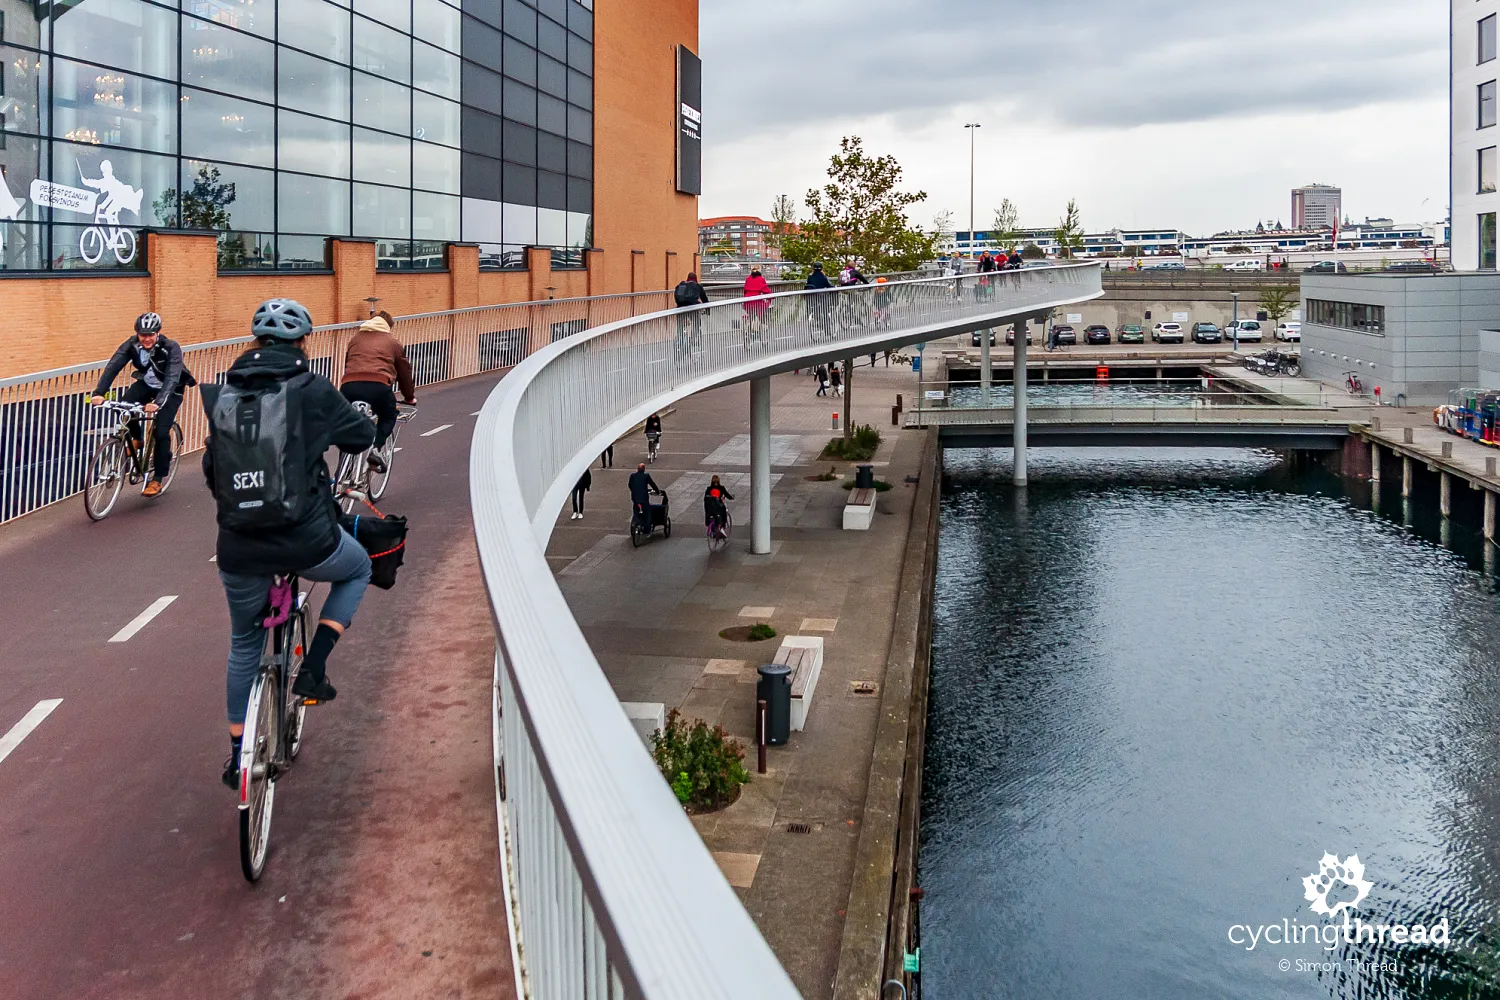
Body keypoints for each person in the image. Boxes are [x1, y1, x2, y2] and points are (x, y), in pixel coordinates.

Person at [203, 298, 376, 790]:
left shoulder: (227, 395)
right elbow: (360, 437)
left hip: (239, 548)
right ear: (302, 344)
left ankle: (239, 754)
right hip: (307, 541)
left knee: (243, 643)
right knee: (358, 567)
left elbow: (214, 475)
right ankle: (314, 668)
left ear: (254, 344)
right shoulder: (313, 389)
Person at [91, 312, 197, 496]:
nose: (147, 339)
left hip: (171, 390)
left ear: (158, 333)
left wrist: (158, 402)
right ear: (137, 334)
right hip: (147, 384)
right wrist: (99, 392)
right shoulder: (131, 345)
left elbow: (172, 377)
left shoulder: (170, 347)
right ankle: (137, 438)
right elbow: (113, 366)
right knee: (124, 405)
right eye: (143, 335)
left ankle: (157, 479)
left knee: (160, 431)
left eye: (150, 335)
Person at [339, 314, 416, 472]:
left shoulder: (355, 339)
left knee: (349, 424)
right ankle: (375, 449)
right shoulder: (392, 342)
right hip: (378, 386)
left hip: (349, 385)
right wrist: (409, 397)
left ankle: (342, 471)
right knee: (389, 415)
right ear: (387, 326)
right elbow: (404, 372)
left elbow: (349, 363)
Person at [673, 270, 709, 347]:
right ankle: (692, 341)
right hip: (692, 307)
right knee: (696, 324)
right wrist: (707, 310)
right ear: (695, 278)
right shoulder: (697, 286)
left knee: (680, 326)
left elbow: (676, 296)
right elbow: (704, 299)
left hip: (680, 307)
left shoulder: (681, 285)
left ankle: (679, 339)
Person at [628, 462, 662, 533]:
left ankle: (635, 523)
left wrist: (633, 490)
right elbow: (652, 484)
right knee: (647, 512)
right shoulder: (646, 476)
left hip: (635, 498)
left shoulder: (632, 476)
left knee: (636, 510)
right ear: (644, 470)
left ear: (637, 469)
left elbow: (630, 485)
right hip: (643, 498)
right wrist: (657, 491)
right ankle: (647, 529)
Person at [805, 263, 833, 334]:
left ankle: (816, 318)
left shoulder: (810, 277)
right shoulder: (823, 277)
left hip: (812, 297)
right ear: (821, 268)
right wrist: (835, 288)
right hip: (821, 297)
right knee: (825, 312)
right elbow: (828, 286)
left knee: (816, 308)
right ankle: (827, 330)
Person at [743, 268, 771, 336]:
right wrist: (771, 297)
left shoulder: (748, 279)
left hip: (747, 300)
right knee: (761, 313)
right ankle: (757, 330)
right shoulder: (760, 279)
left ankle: (747, 330)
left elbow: (745, 290)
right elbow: (766, 290)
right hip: (756, 300)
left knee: (751, 314)